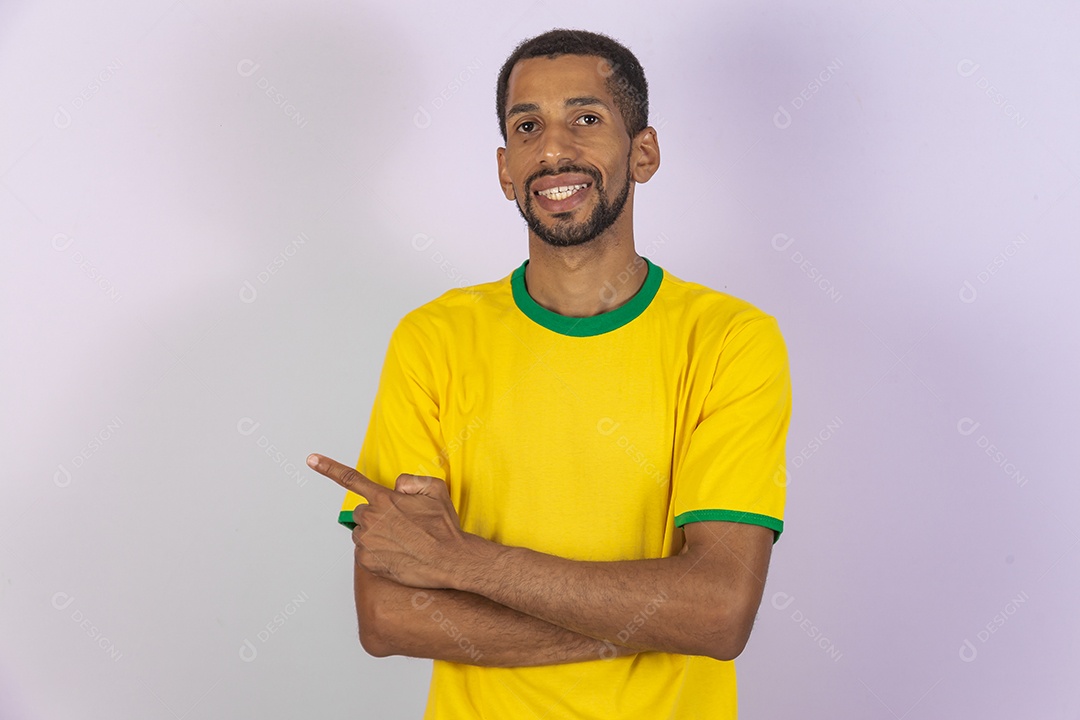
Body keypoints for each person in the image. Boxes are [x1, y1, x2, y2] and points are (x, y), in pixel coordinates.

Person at [308, 27, 792, 720]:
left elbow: (717, 612)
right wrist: (648, 621)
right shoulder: (434, 339)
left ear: (644, 153)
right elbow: (388, 616)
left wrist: (462, 564)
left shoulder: (729, 340)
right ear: (506, 168)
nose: (554, 150)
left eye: (586, 119)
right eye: (527, 126)